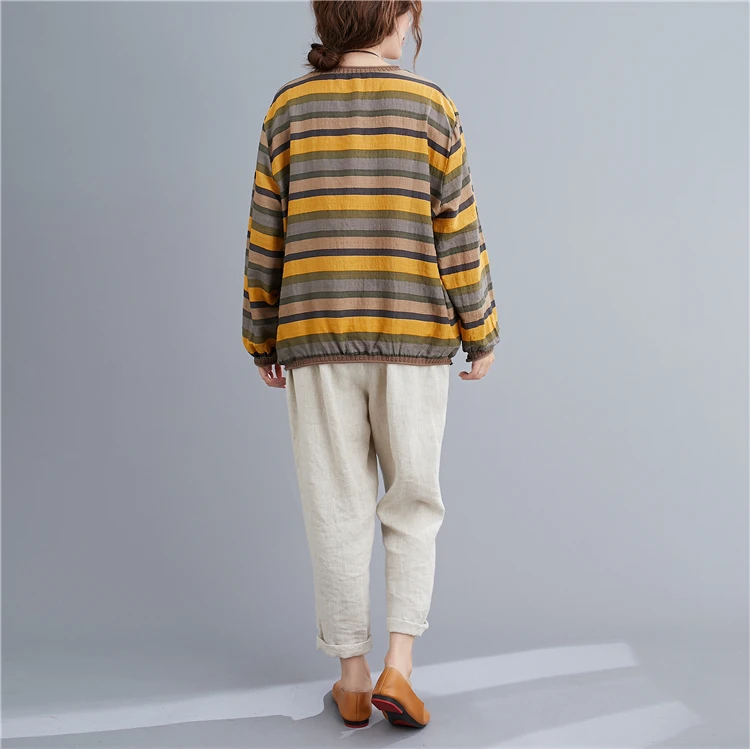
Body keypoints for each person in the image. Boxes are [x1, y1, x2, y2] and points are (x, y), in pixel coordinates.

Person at [242, 0, 499, 730]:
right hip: (413, 338)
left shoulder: (287, 110)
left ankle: (352, 678)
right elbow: (458, 232)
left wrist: (261, 335)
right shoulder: (431, 107)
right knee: (412, 503)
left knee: (335, 508)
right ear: (394, 16)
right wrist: (480, 329)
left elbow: (266, 233)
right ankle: (399, 667)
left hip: (315, 338)